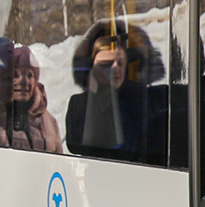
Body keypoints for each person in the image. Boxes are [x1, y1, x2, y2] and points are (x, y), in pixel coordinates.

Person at [63, 21, 171, 165]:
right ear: (91, 69)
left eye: (120, 63)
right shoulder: (80, 106)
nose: (115, 69)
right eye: (105, 64)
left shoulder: (150, 100)